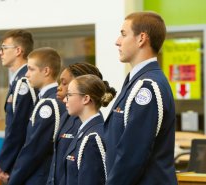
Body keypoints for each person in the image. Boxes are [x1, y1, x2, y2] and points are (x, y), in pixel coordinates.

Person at [104, 11, 177, 185]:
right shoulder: (137, 81)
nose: (117, 41)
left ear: (141, 38)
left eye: (123, 34)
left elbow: (132, 154)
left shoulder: (147, 86)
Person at [5, 47, 66, 185]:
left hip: (38, 178)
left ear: (46, 71)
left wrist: (13, 180)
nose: (26, 74)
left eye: (31, 69)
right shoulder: (48, 99)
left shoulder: (48, 104)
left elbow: (33, 151)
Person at [47, 62, 116, 185]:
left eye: (70, 94)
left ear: (86, 99)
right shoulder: (84, 130)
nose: (65, 99)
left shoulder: (92, 137)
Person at [0, 29, 37, 182]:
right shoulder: (19, 79)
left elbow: (18, 127)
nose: (0, 53)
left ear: (18, 50)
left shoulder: (24, 81)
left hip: (23, 164)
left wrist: (4, 162)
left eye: (4, 48)